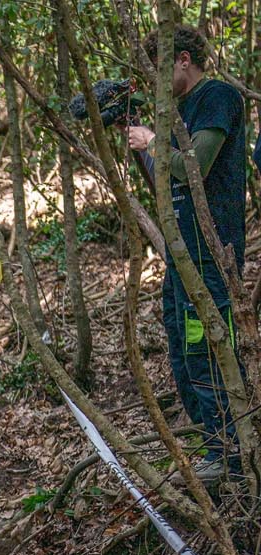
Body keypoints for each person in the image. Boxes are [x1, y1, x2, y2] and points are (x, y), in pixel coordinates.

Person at [125, 24, 247, 483]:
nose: (157, 82)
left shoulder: (217, 97)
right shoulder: (175, 113)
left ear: (183, 59)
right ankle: (212, 442)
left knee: (206, 346)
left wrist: (153, 141)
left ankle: (229, 454)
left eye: (161, 69)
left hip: (212, 249)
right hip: (182, 252)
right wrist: (134, 137)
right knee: (180, 345)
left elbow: (196, 165)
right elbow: (164, 177)